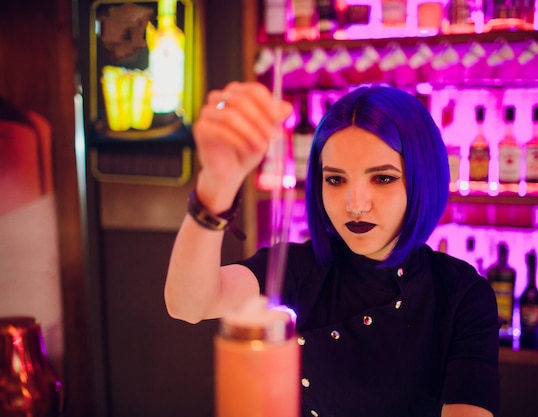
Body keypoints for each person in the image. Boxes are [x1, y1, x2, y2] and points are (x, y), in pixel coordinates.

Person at [165, 81, 500, 417]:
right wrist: (216, 186)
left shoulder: (461, 293)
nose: (355, 205)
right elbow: (189, 303)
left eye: (382, 178)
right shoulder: (301, 267)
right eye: (335, 179)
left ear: (423, 177)